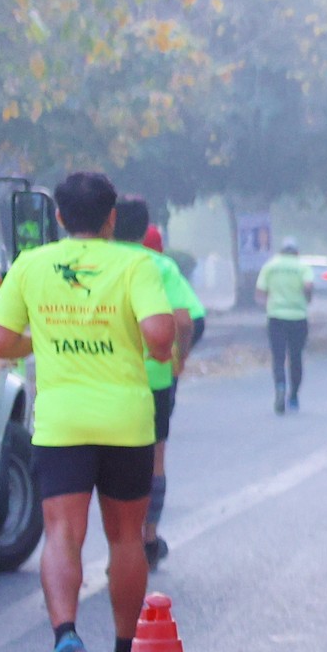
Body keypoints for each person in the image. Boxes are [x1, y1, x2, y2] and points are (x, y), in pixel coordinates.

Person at [0, 170, 177, 652]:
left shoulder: (31, 264)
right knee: (126, 539)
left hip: (62, 423)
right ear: (112, 218)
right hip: (125, 422)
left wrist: (42, 339)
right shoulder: (135, 264)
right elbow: (160, 337)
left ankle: (65, 637)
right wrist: (153, 348)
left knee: (62, 535)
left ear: (60, 217)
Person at [113, 201, 205, 565]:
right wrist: (178, 357)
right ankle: (148, 538)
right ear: (145, 229)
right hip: (153, 378)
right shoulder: (160, 266)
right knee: (154, 458)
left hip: (101, 377)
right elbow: (184, 321)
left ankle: (119, 543)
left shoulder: (93, 263)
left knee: (111, 461)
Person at [258, 239, 313, 413]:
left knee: (278, 357)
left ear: (281, 251)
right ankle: (294, 396)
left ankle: (280, 386)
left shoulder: (270, 266)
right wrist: (307, 299)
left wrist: (269, 304)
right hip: (298, 317)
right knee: (296, 357)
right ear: (296, 251)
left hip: (276, 317)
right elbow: (308, 286)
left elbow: (260, 292)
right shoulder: (302, 267)